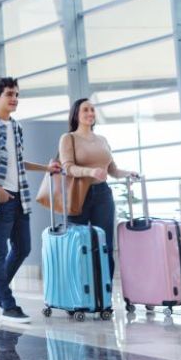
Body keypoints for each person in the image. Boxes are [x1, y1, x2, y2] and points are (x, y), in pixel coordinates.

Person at [0, 77, 61, 324]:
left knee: (23, 248)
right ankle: (8, 305)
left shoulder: (16, 127)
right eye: (10, 94)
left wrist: (45, 168)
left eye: (17, 95)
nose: (14, 98)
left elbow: (19, 162)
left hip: (20, 197)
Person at [60, 98, 139, 280]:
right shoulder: (69, 138)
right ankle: (78, 294)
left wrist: (128, 174)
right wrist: (90, 171)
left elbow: (112, 170)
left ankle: (104, 295)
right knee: (77, 245)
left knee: (105, 245)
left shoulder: (102, 140)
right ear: (76, 115)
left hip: (103, 194)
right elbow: (68, 168)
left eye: (92, 110)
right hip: (79, 195)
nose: (90, 113)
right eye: (85, 110)